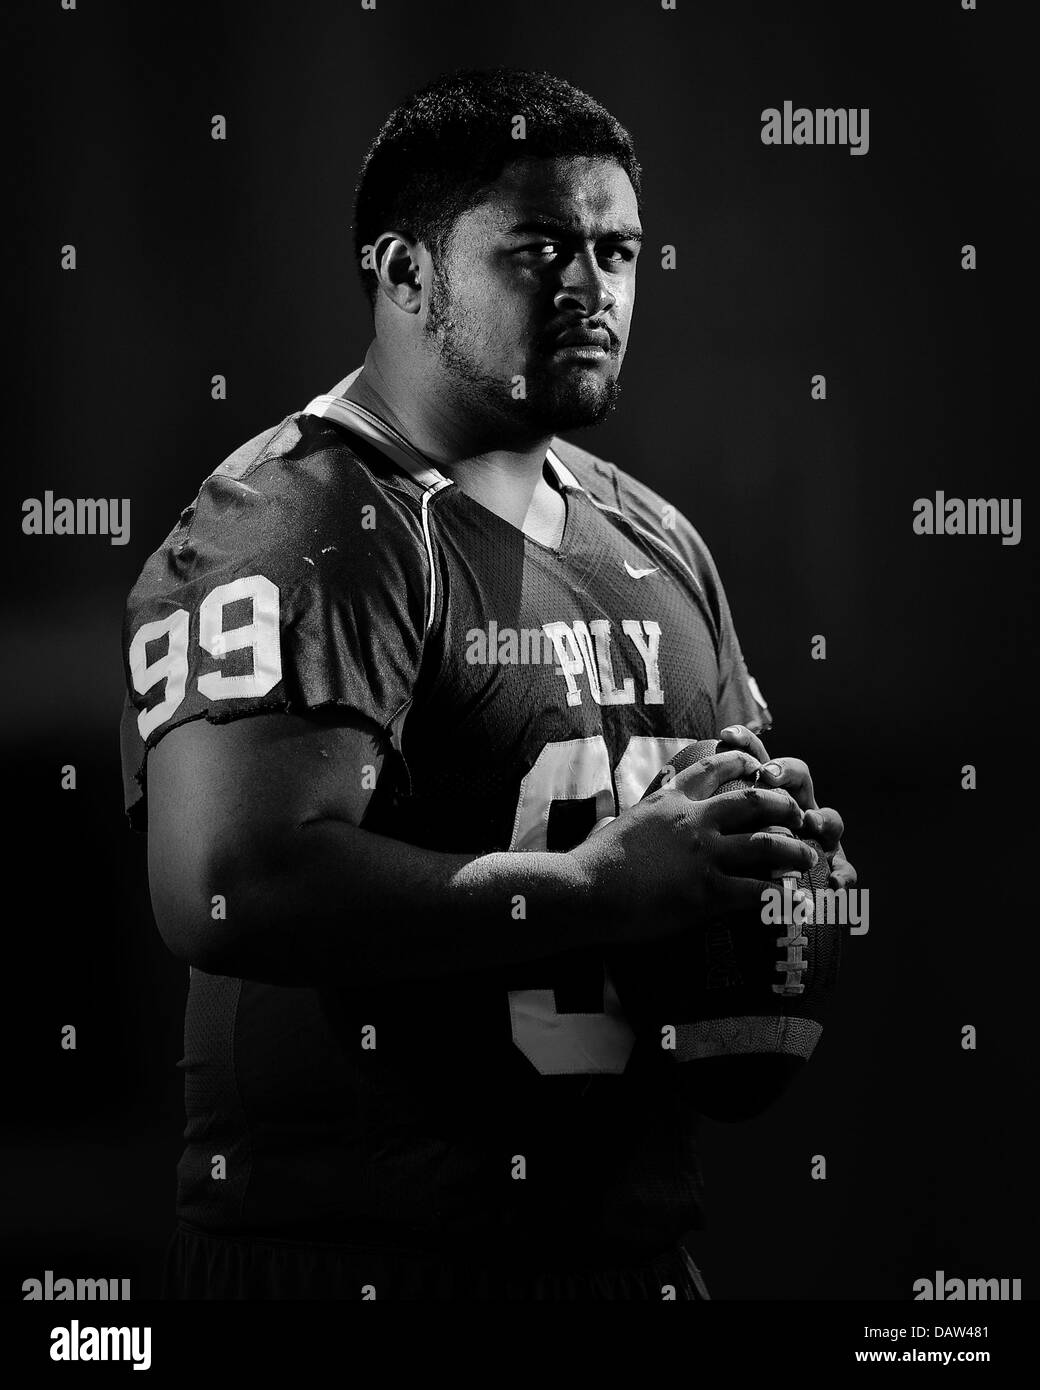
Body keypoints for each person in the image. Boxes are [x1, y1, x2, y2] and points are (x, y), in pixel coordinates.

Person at [120, 67, 854, 1300]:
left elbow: (715, 856)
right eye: (540, 250)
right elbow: (225, 886)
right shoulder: (298, 520)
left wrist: (777, 890)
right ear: (405, 273)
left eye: (617, 253)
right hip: (357, 1262)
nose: (592, 289)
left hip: (620, 1254)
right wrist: (589, 888)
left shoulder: (656, 539)